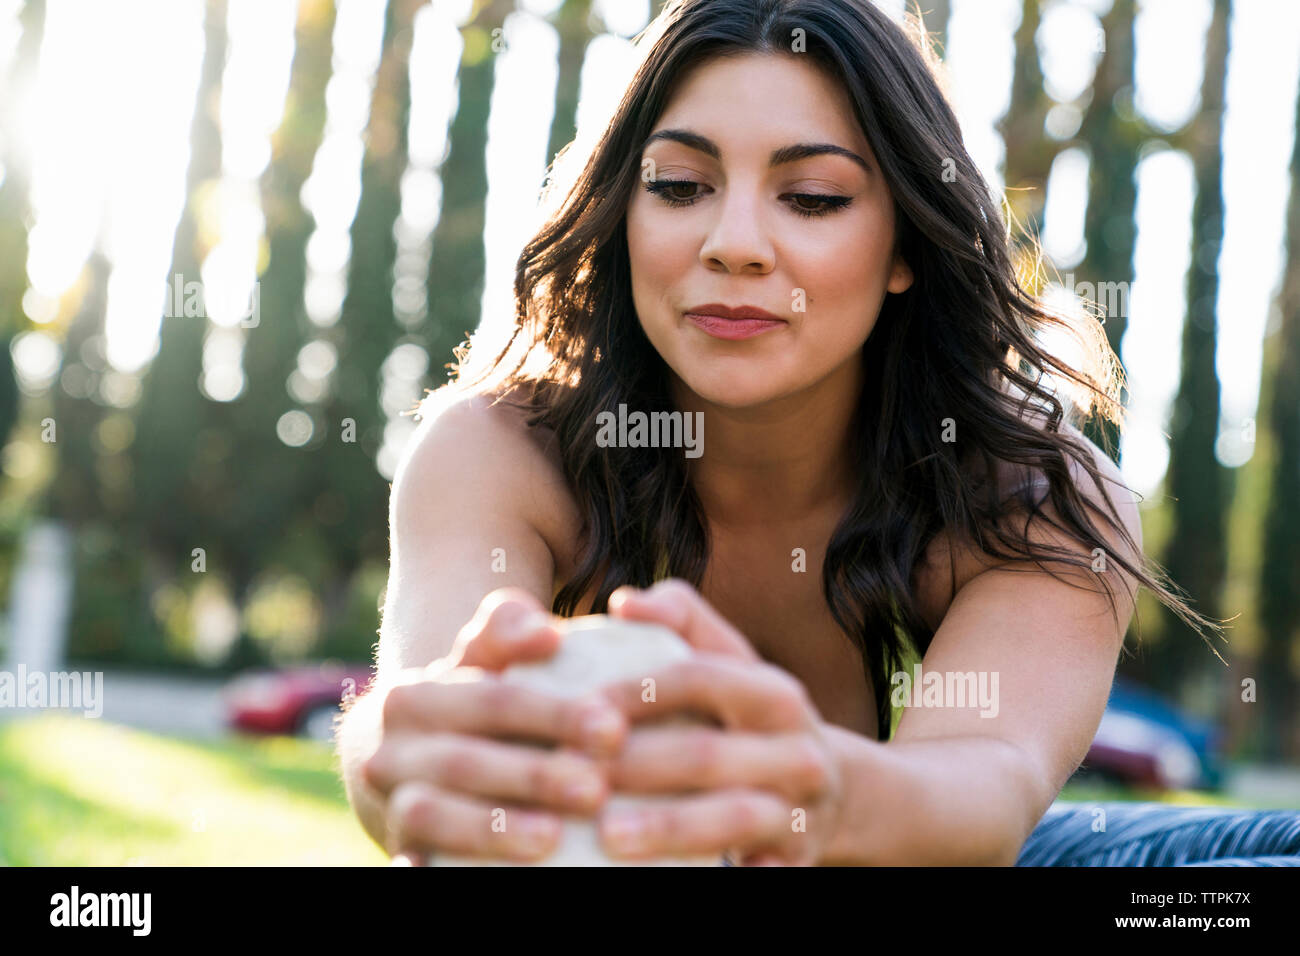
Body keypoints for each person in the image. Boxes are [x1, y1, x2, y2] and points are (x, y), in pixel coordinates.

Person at [336, 0, 1292, 866]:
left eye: (813, 198)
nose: (734, 242)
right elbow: (418, 705)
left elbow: (987, 787)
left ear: (906, 248)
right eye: (678, 185)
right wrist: (401, 752)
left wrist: (810, 791)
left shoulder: (1040, 497)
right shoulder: (501, 449)